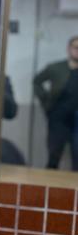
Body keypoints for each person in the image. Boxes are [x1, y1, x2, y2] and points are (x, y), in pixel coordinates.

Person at [33, 35, 78, 169]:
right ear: (69, 49)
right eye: (76, 47)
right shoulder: (56, 68)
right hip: (58, 118)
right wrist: (45, 100)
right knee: (54, 154)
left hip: (77, 119)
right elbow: (37, 81)